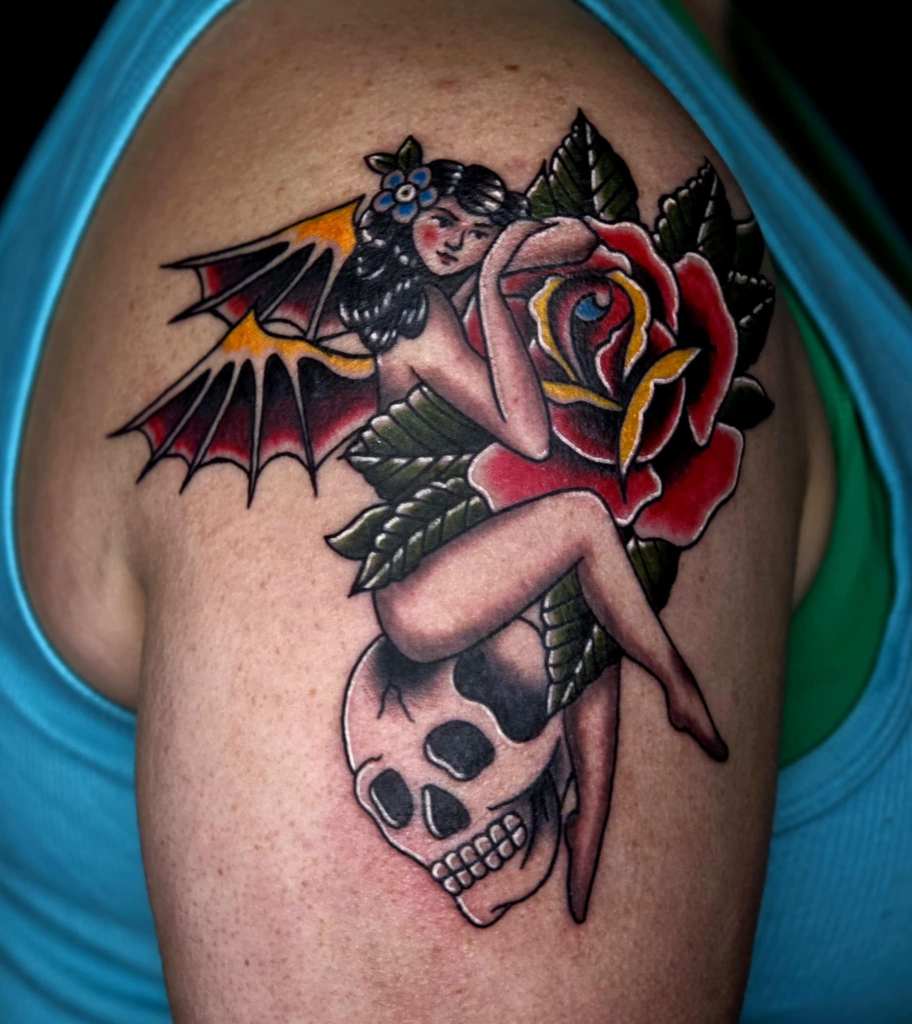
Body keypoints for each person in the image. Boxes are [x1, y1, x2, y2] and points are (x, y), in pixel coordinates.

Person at [1, 1, 909, 1021]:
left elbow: (565, 604)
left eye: (471, 227)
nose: (462, 239)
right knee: (584, 543)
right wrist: (507, 276)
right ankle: (666, 678)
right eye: (444, 231)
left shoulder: (714, 52)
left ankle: (591, 810)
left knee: (580, 662)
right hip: (429, 597)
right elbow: (526, 436)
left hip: (476, 585)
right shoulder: (472, 110)